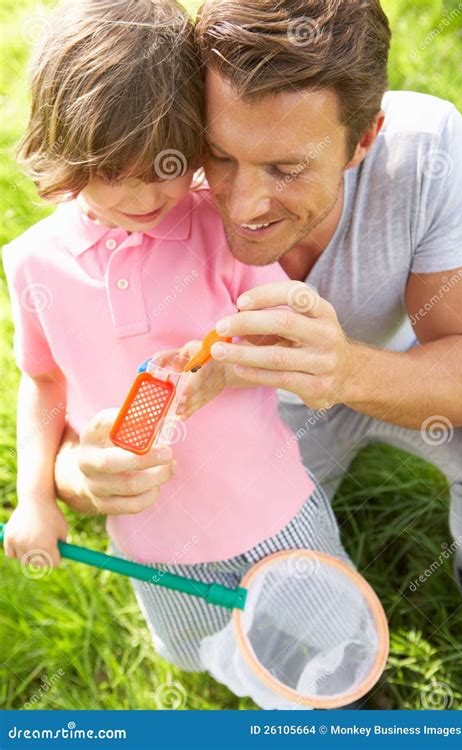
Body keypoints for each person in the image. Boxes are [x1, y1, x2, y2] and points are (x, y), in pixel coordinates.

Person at [54, 0, 462, 604]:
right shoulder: (143, 183)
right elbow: (58, 387)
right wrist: (77, 476)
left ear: (363, 139)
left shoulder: (426, 154)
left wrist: (348, 370)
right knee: (264, 589)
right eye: (218, 155)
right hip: (254, 419)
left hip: (388, 368)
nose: (245, 206)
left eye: (286, 168)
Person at [2, 0, 353, 700]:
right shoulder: (34, 263)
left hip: (271, 510)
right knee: (202, 651)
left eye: (164, 164)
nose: (143, 193)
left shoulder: (218, 227)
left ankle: (338, 699)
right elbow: (43, 383)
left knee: (329, 636)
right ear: (65, 148)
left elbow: (287, 323)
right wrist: (35, 495)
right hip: (154, 541)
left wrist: (222, 368)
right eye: (111, 170)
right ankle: (253, 682)